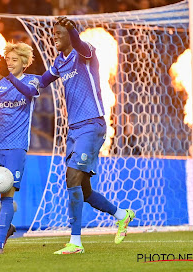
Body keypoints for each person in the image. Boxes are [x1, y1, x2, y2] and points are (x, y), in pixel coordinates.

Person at [38, 17, 135, 254]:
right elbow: (40, 82)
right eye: (54, 34)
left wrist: (72, 30)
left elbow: (79, 44)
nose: (54, 37)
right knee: (84, 189)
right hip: (74, 130)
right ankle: (121, 214)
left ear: (70, 34)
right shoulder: (59, 62)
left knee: (71, 178)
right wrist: (10, 79)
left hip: (92, 124)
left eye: (59, 33)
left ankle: (76, 242)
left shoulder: (85, 53)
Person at [0, 42, 41, 255]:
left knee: (6, 195)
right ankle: (8, 228)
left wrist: (11, 77)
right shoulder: (0, 82)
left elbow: (29, 92)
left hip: (16, 147)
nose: (10, 63)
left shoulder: (32, 80)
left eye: (15, 60)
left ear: (24, 62)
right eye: (8, 60)